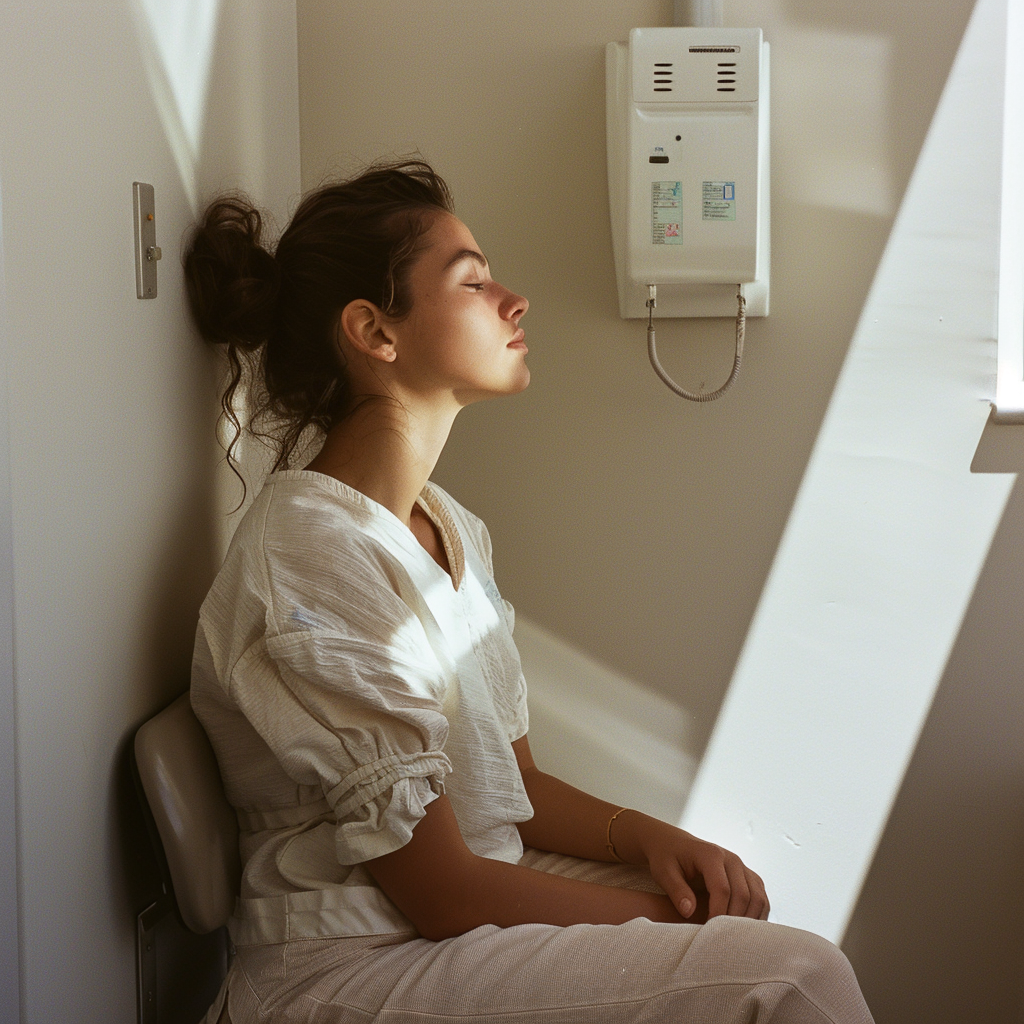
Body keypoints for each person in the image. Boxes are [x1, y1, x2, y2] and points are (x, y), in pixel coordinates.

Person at [184, 159, 874, 1024]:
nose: (515, 300)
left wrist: (652, 840)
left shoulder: (446, 526)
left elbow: (514, 790)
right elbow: (440, 892)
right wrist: (664, 923)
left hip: (443, 920)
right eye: (472, 280)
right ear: (375, 332)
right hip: (351, 964)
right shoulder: (310, 556)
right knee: (793, 978)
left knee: (744, 924)